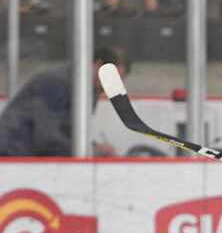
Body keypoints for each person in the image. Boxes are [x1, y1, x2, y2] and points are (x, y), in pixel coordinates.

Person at [0, 46, 130, 156]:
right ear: (97, 64)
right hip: (11, 153)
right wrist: (91, 150)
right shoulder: (55, 83)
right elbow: (47, 137)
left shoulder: (89, 89)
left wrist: (94, 148)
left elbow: (68, 134)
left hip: (28, 155)